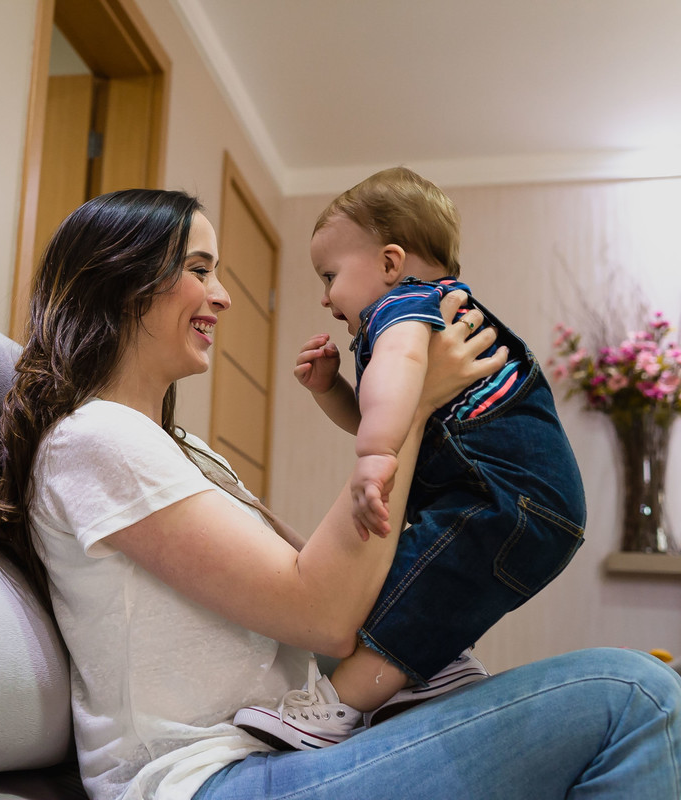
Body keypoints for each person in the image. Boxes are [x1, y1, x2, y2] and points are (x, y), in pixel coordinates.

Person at [0, 188, 681, 800]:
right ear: (121, 281)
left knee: (639, 690)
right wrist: (416, 408)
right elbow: (323, 613)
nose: (221, 295)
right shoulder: (96, 440)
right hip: (203, 783)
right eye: (198, 270)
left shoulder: (183, 451)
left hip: (273, 759)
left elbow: (328, 575)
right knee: (636, 697)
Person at [233, 166, 587, 751]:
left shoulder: (403, 307)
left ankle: (336, 704)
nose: (324, 296)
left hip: (508, 496)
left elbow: (394, 390)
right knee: (418, 572)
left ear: (391, 263)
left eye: (330, 275)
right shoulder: (424, 312)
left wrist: (373, 456)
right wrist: (332, 392)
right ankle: (440, 661)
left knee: (418, 567)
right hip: (517, 498)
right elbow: (389, 413)